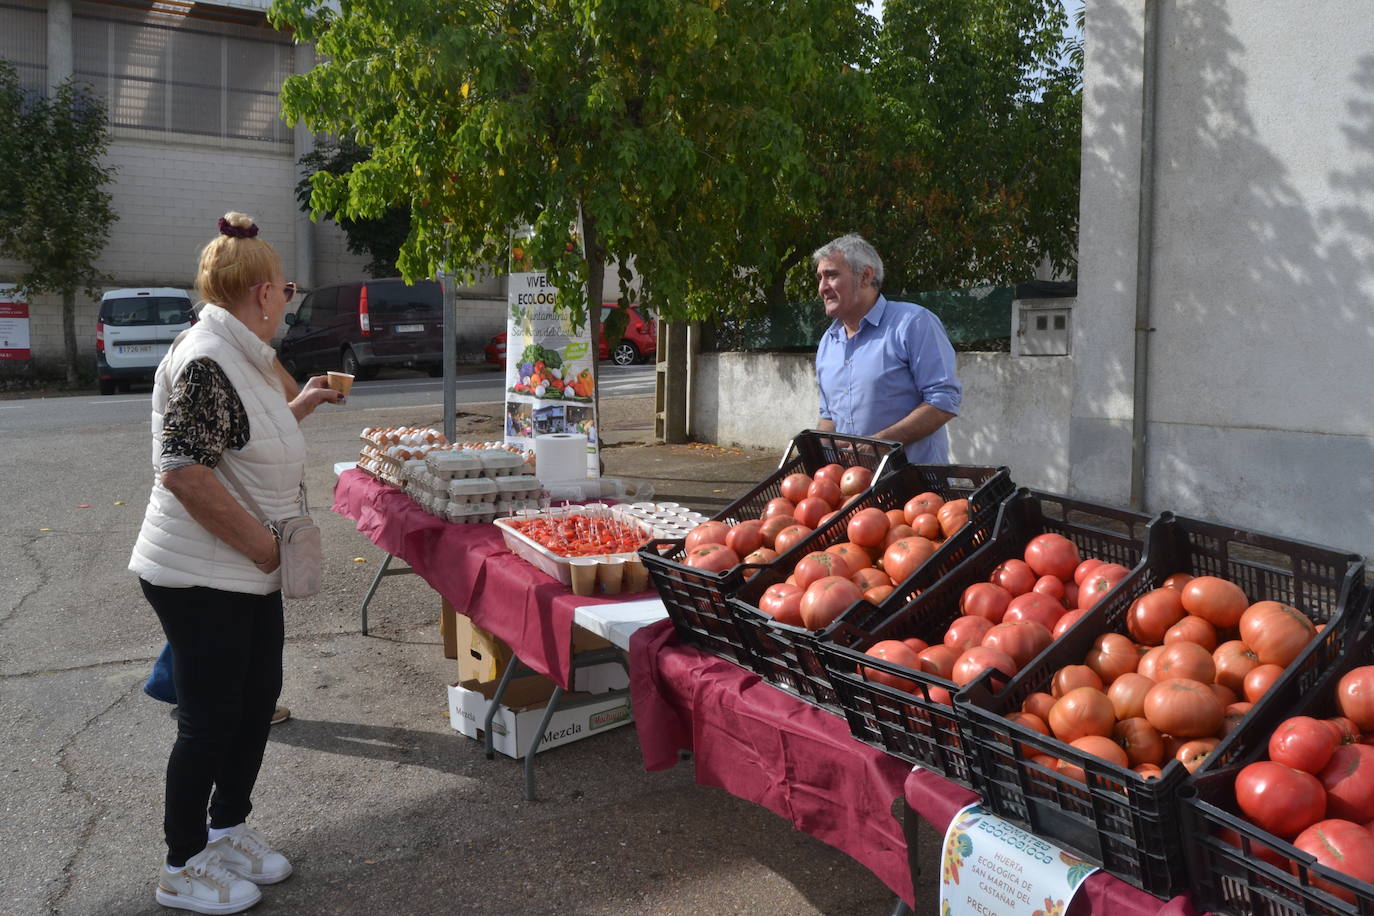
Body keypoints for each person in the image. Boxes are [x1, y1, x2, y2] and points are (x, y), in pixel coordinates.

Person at [128, 211, 342, 913]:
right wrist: (260, 546)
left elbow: (247, 438)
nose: (289, 299)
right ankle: (181, 864)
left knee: (253, 705)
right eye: (287, 288)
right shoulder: (205, 358)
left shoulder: (243, 353)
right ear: (260, 294)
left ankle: (228, 829)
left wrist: (301, 406)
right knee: (211, 719)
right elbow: (182, 469)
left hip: (247, 567)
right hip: (200, 572)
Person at [812, 234, 962, 464]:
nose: (823, 288)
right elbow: (829, 417)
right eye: (820, 277)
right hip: (851, 490)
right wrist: (817, 452)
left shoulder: (913, 323)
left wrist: (881, 443)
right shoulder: (828, 342)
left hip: (915, 488)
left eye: (831, 275)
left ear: (865, 276)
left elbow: (944, 401)